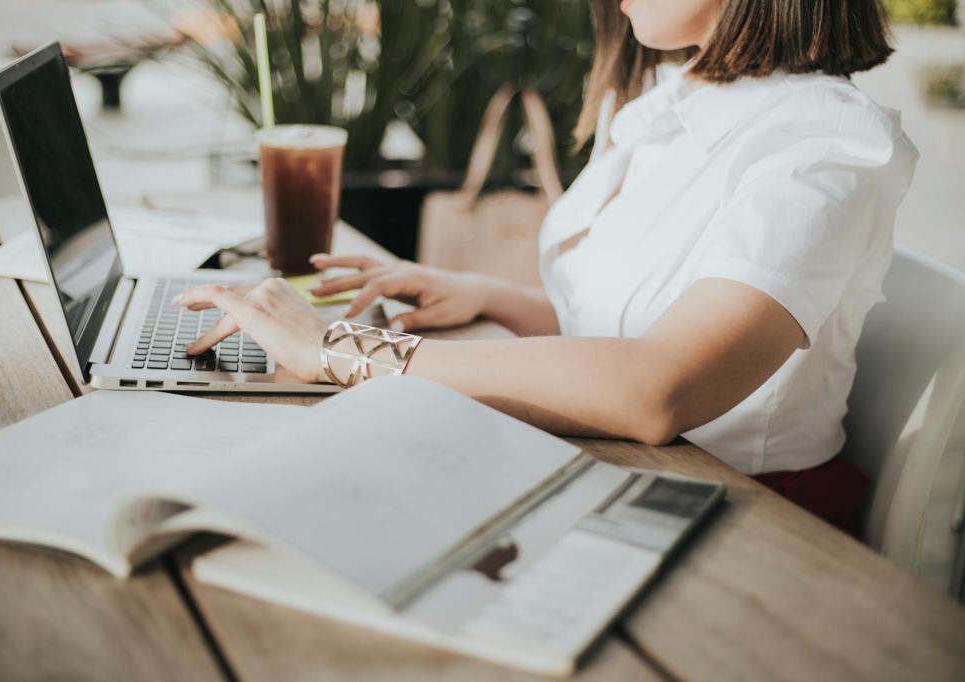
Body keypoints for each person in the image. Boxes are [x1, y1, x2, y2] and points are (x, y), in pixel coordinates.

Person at [177, 0, 917, 532]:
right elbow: (623, 328)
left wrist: (338, 350)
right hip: (604, 468)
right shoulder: (668, 101)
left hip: (736, 525)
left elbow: (658, 388)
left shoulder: (823, 145)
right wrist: (488, 295)